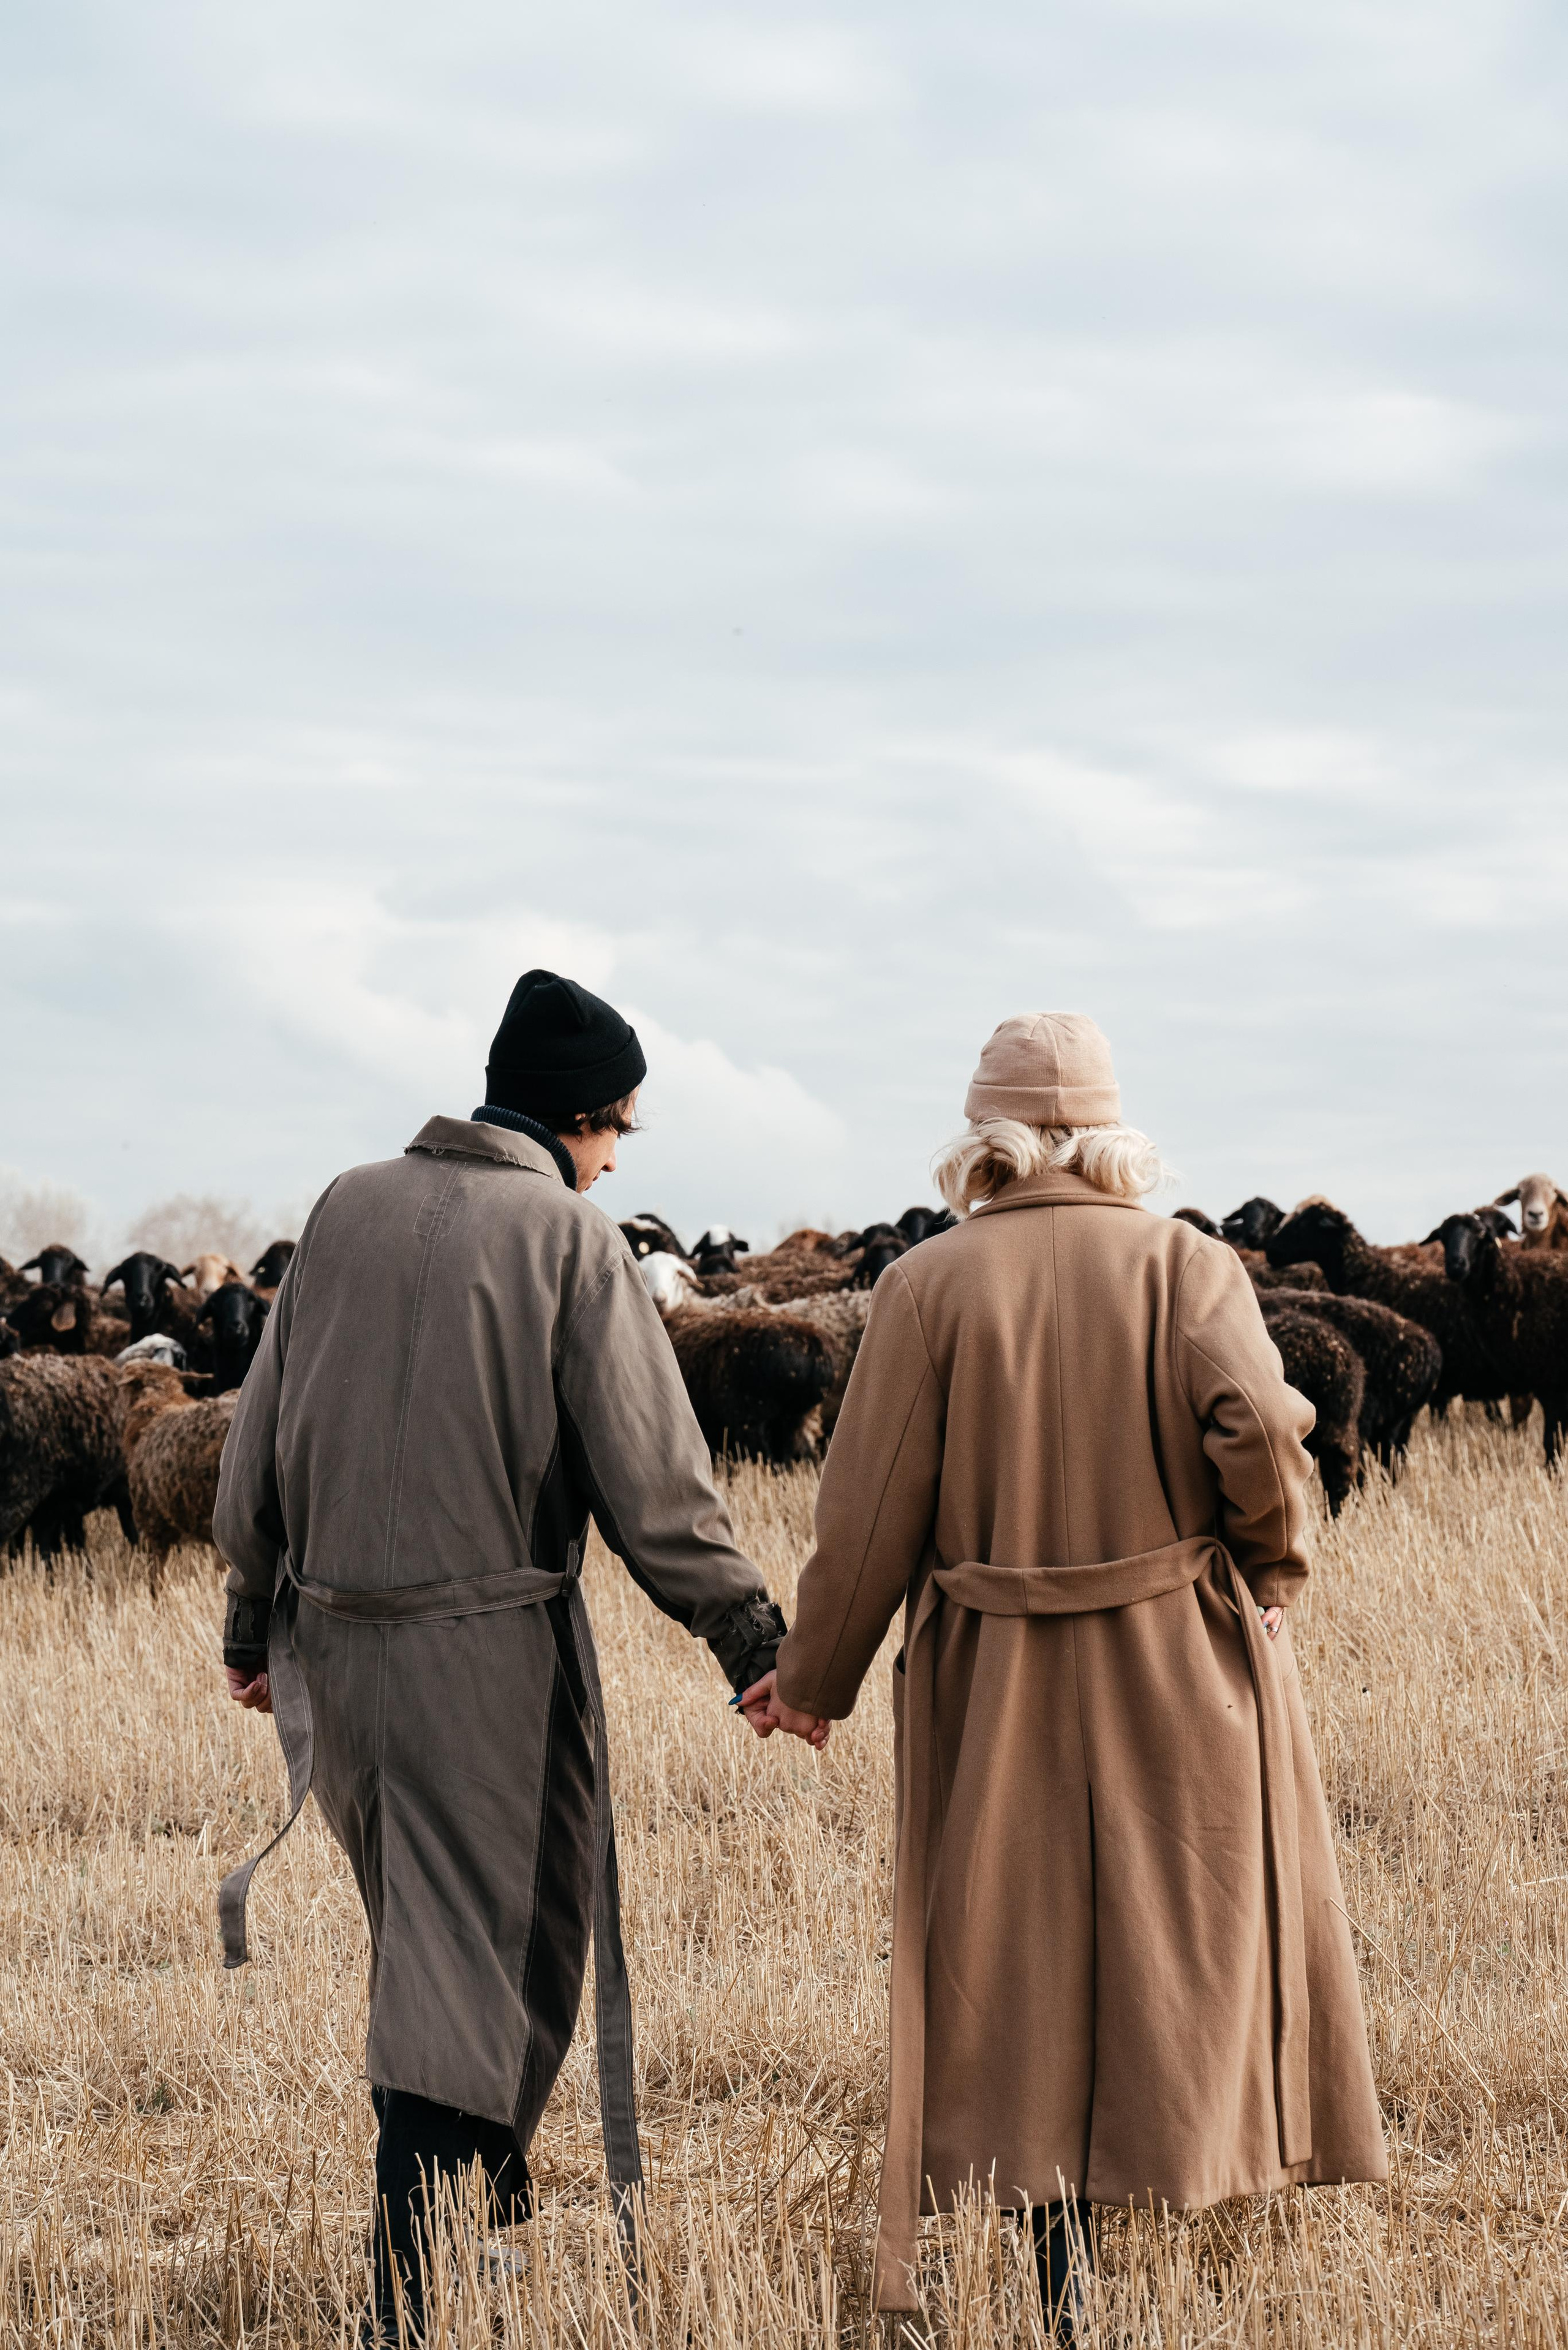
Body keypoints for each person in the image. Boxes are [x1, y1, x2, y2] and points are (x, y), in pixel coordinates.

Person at [750, 1012, 1387, 2336]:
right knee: (1180, 1945)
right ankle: (1172, 2182)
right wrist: (1270, 1571)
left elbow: (865, 1515)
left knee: (1012, 1955)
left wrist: (812, 1679)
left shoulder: (927, 1285)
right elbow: (1266, 1428)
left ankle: (1058, 2264)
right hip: (1177, 1654)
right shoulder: (1186, 1264)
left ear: (982, 1138)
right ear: (1107, 1132)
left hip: (997, 1671)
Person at [214, 969, 808, 2340]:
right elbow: (653, 1481)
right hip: (485, 1657)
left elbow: (257, 1446)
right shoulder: (565, 1237)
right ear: (581, 1117)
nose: (611, 1165)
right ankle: (406, 2284)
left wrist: (256, 1628)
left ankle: (467, 2228)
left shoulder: (342, 1207)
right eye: (619, 1134)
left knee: (434, 1946)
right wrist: (749, 1637)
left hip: (340, 1657)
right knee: (482, 1960)